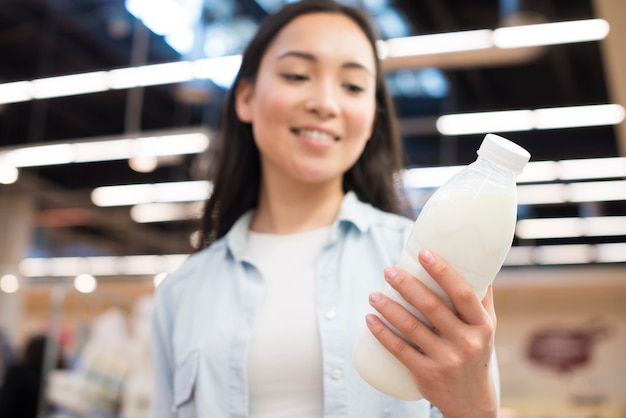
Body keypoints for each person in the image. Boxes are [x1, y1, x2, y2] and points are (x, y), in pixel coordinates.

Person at [150, 1, 499, 417]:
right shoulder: (182, 292)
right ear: (245, 98)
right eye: (297, 75)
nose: (325, 103)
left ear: (370, 117)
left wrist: (474, 404)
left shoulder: (425, 261)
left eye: (352, 86)